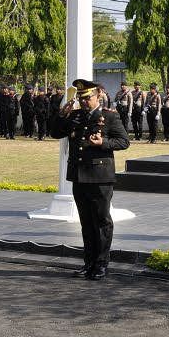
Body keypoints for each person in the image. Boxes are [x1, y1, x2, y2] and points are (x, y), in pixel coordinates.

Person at [49, 79, 130, 280]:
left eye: (88, 98)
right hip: (79, 176)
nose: (84, 102)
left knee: (101, 222)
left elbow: (124, 141)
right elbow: (55, 132)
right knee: (86, 222)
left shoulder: (109, 117)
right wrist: (62, 114)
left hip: (100, 178)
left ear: (98, 96)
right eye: (81, 98)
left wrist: (103, 143)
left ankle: (101, 264)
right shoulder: (75, 116)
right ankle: (89, 263)